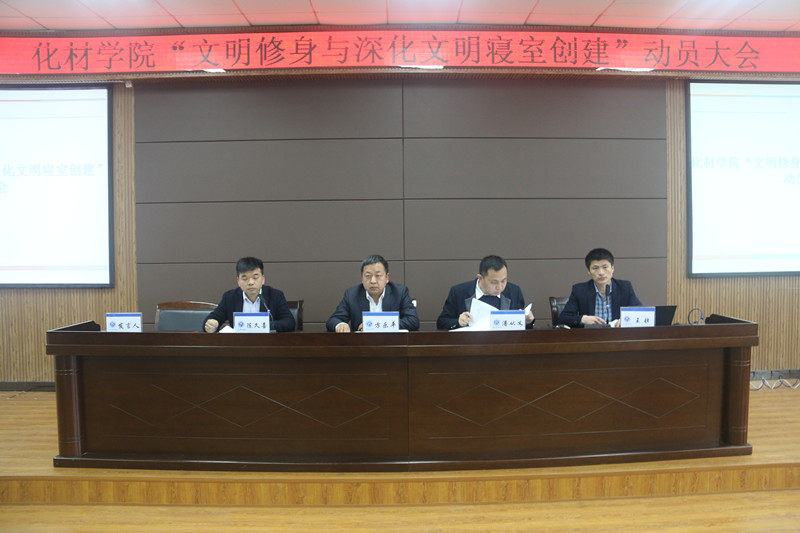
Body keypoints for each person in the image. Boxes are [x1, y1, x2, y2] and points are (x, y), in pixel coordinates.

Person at [436, 255, 534, 330]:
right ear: (480, 278)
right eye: (494, 282)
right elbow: (441, 323)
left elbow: (522, 328)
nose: (499, 287)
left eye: (503, 281)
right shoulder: (459, 292)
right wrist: (458, 322)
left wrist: (528, 321)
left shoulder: (514, 291)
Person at [326, 254, 419, 332]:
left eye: (378, 275)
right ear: (362, 278)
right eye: (368, 276)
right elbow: (333, 320)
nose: (373, 281)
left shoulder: (399, 292)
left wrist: (374, 324)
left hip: (392, 344)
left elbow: (413, 321)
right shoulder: (352, 295)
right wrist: (340, 324)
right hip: (362, 346)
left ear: (387, 278)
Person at [203, 256, 296, 332]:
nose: (250, 282)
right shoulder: (230, 297)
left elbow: (289, 322)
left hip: (266, 344)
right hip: (239, 346)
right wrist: (212, 324)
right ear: (238, 281)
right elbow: (211, 320)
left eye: (255, 278)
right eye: (245, 278)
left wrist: (263, 325)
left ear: (263, 279)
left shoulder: (275, 295)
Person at [558, 247, 642, 328]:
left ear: (612, 268)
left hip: (618, 335)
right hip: (591, 336)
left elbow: (641, 311)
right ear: (589, 271)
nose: (601, 272)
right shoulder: (580, 290)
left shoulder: (624, 287)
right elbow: (563, 318)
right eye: (595, 268)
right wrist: (583, 319)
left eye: (605, 267)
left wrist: (625, 319)